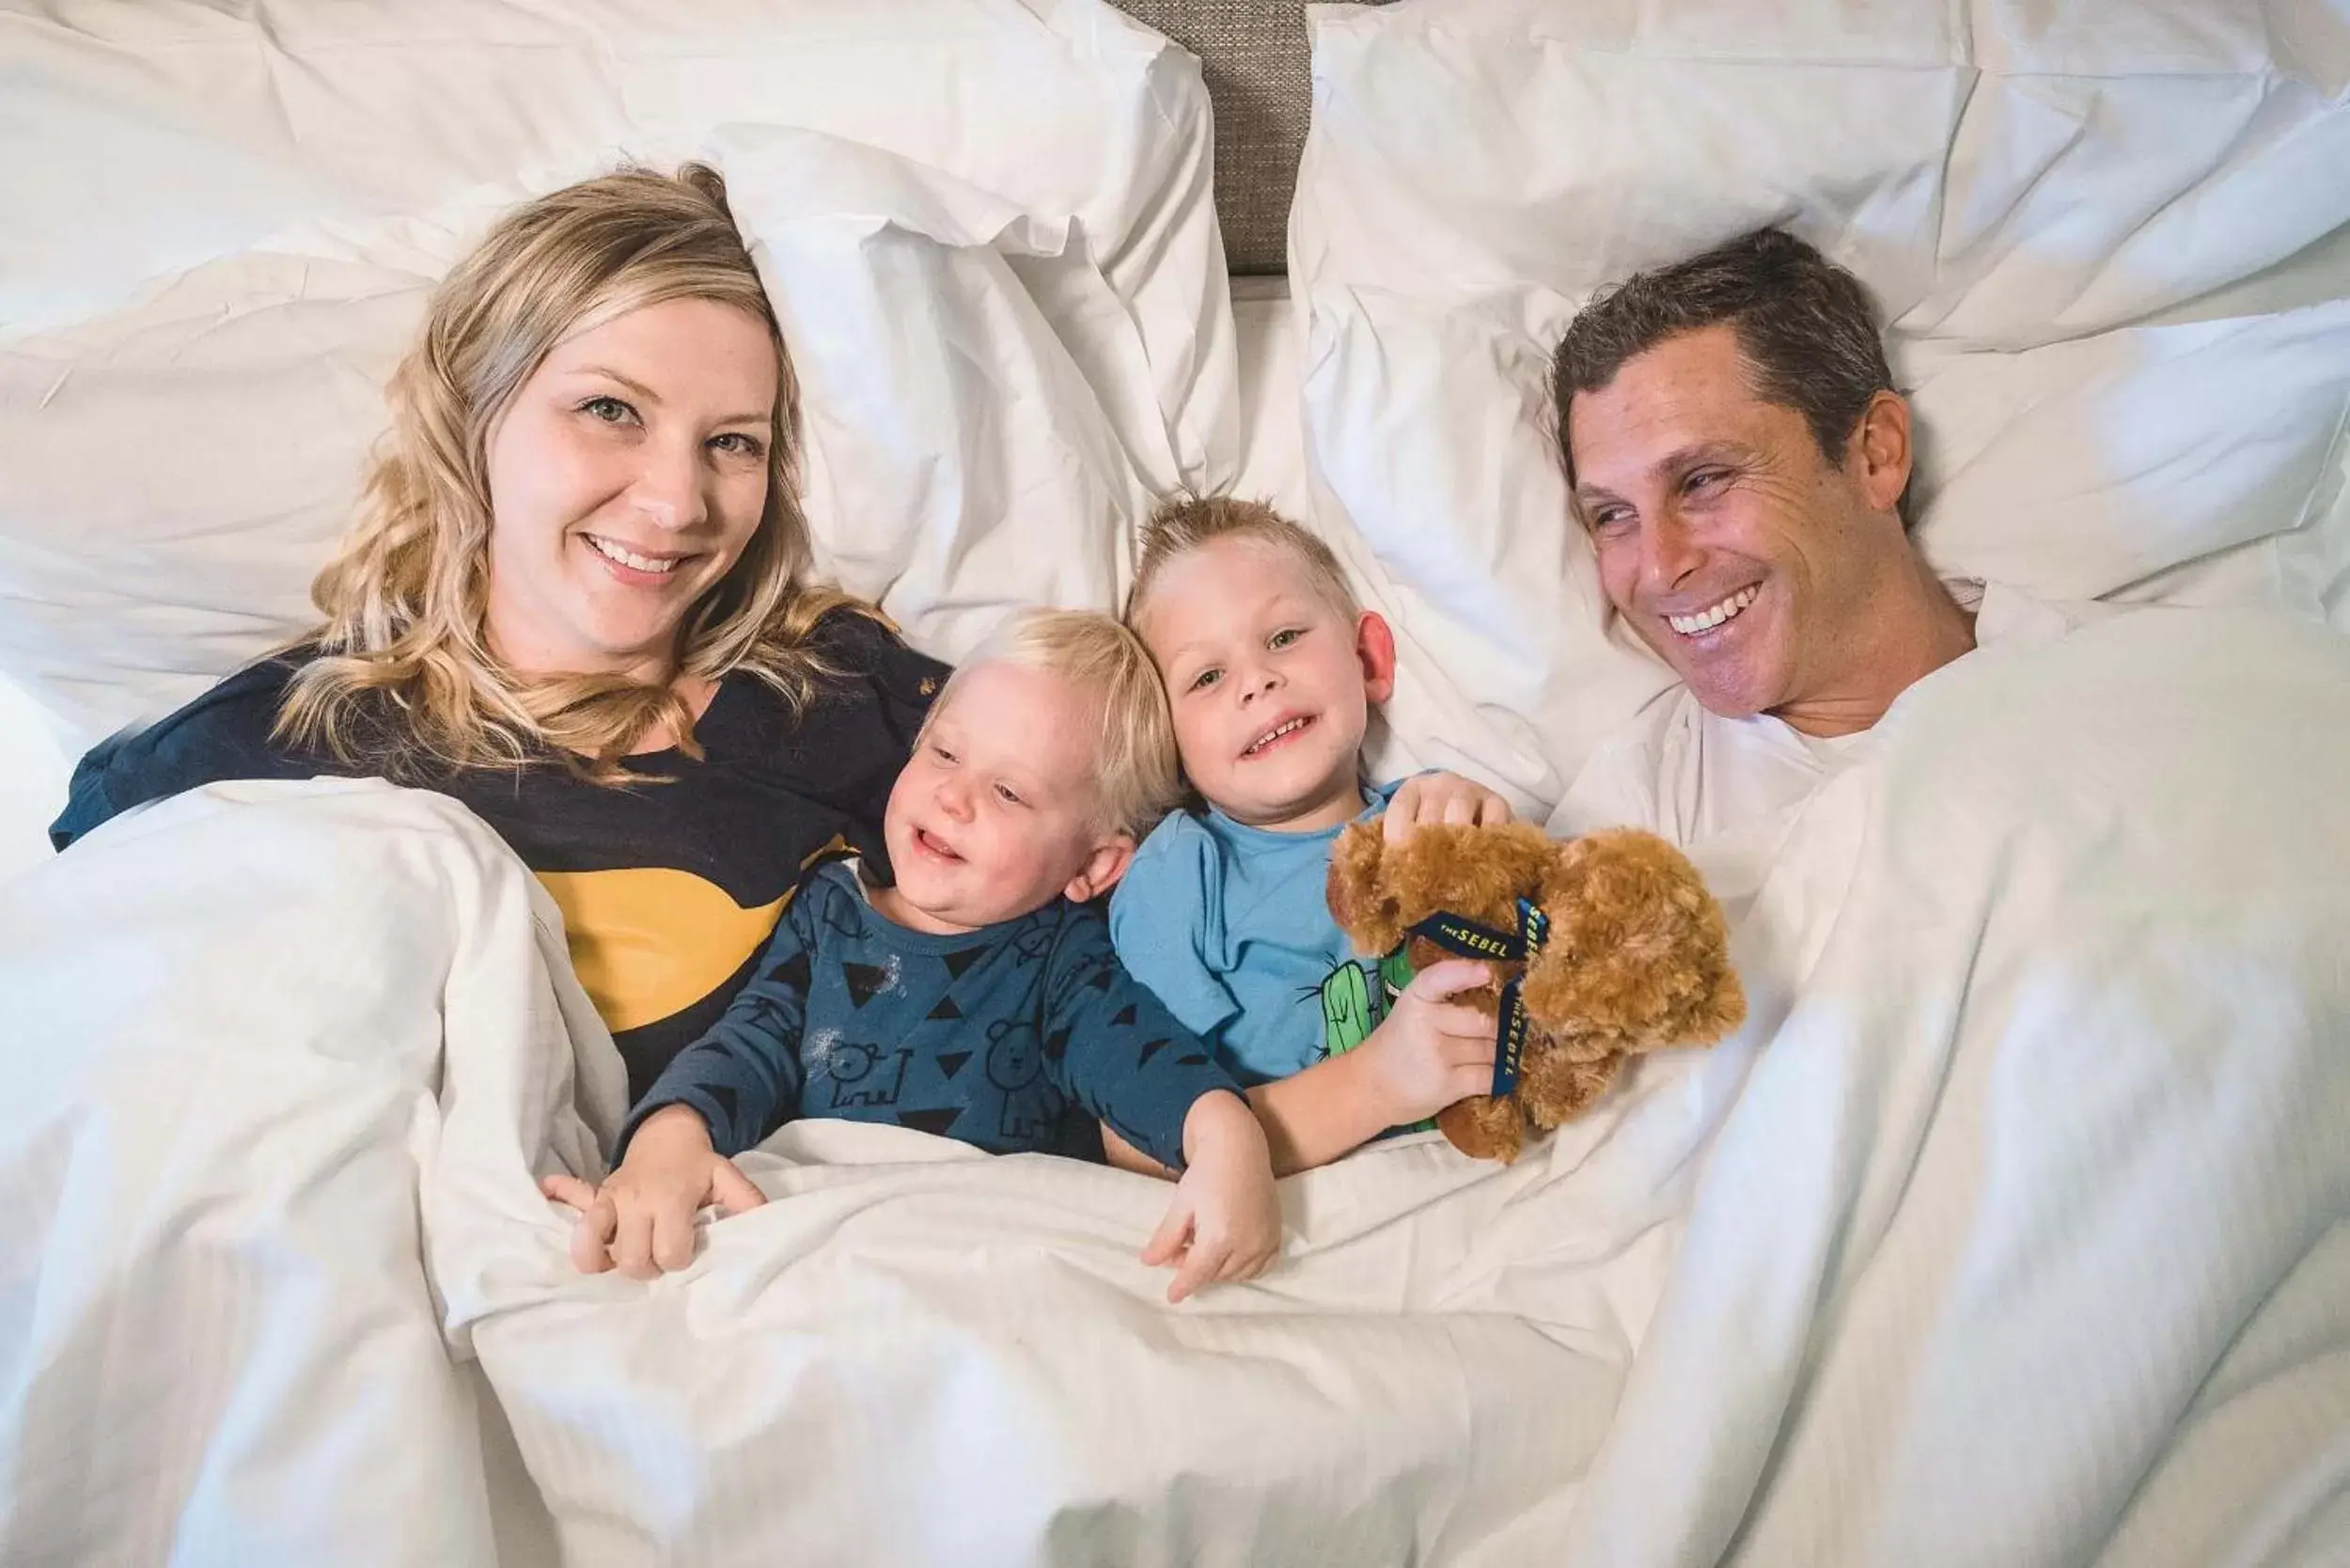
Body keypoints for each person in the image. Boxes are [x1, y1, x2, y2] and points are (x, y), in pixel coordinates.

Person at [46, 165, 947, 1097]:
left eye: (733, 442)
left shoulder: (848, 710)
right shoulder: (260, 755)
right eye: (610, 410)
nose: (678, 504)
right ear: (477, 410)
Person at [545, 610, 1280, 1303]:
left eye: (1008, 792)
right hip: (818, 1249)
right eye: (945, 752)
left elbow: (1135, 1054)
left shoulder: (1059, 961)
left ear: (1092, 867)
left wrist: (1223, 1134)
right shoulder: (828, 909)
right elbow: (750, 1043)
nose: (954, 798)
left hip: (970, 1262)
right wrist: (671, 1139)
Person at [1543, 227, 2099, 879]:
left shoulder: (2133, 686)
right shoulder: (1623, 832)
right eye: (1613, 515)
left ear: (1875, 454)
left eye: (1703, 480)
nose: (1661, 568)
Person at [1108, 496, 1515, 1176]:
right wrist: (1376, 1085)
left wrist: (1494, 841)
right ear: (1167, 747)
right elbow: (1134, 1137)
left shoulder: (1429, 817)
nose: (1258, 681)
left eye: (1284, 637)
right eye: (1207, 677)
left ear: (1369, 658)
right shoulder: (1183, 873)